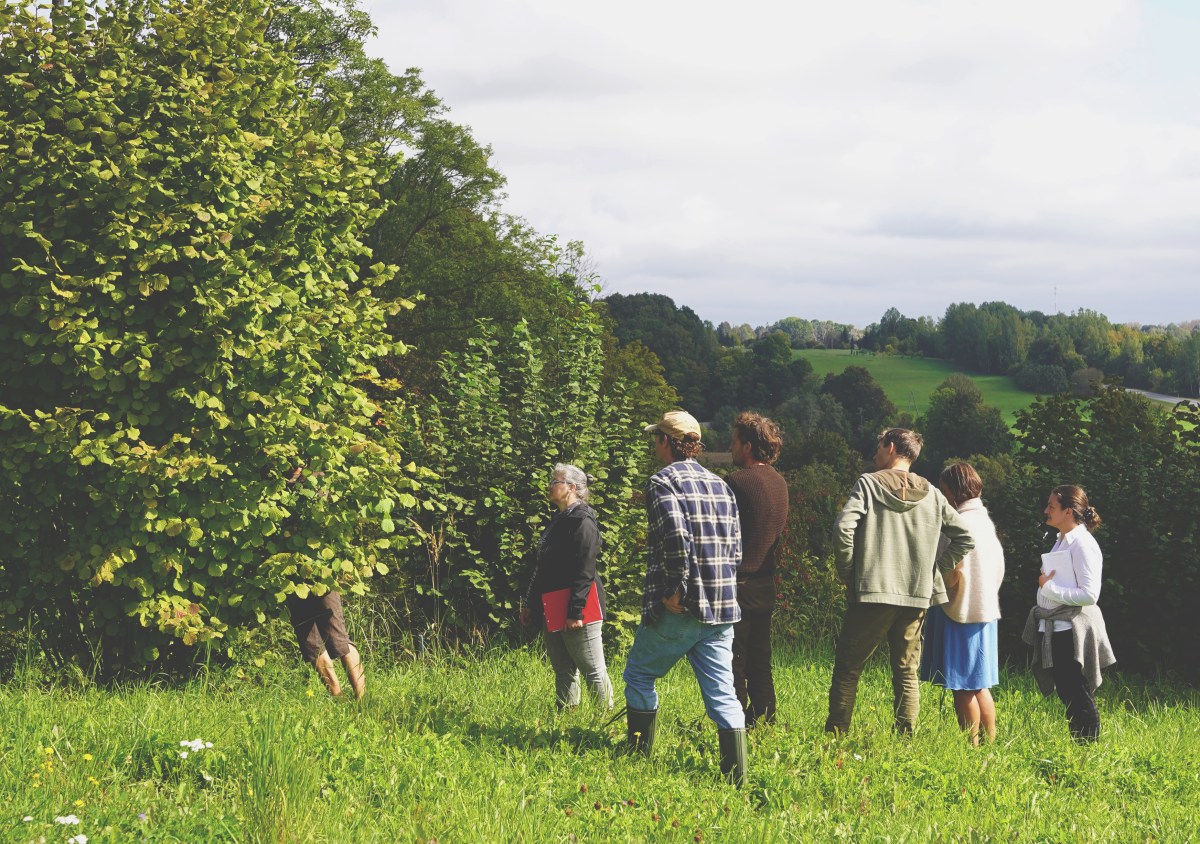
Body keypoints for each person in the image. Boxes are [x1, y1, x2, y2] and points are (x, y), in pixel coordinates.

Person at [622, 410, 747, 785]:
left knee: (640, 674)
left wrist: (673, 589)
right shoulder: (721, 484)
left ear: (665, 442)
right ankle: (736, 778)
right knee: (723, 694)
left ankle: (637, 757)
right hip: (723, 606)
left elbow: (676, 539)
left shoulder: (663, 482)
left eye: (655, 439)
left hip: (682, 604)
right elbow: (736, 548)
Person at [826, 428, 974, 735]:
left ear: (890, 447)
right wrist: (936, 567)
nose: (876, 453)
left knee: (848, 668)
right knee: (907, 671)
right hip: (916, 594)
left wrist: (848, 570)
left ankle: (836, 735)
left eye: (879, 446)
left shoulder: (868, 484)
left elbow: (843, 529)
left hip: (872, 591)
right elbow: (965, 537)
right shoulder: (932, 493)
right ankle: (905, 737)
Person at [1020, 485, 1115, 742]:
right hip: (1057, 628)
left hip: (1071, 629)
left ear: (1068, 511)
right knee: (1068, 690)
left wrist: (1048, 588)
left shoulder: (1083, 544)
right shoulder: (1061, 540)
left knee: (1077, 692)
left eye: (1051, 506)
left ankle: (1086, 751)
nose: (1046, 510)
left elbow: (1089, 594)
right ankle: (1080, 745)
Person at [919, 462, 1004, 744]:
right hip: (985, 611)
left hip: (959, 612)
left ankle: (972, 746)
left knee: (962, 688)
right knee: (980, 684)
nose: (943, 497)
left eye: (945, 491)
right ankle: (990, 744)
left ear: (955, 492)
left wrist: (941, 585)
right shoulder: (986, 522)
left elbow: (950, 571)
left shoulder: (958, 523)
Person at [521, 463, 612, 711]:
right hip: (552, 603)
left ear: (571, 488)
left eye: (555, 481)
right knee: (563, 670)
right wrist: (531, 603)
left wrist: (576, 611)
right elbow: (544, 565)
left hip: (580, 605)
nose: (550, 486)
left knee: (593, 669)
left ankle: (605, 722)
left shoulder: (583, 521)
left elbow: (585, 570)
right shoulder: (560, 520)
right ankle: (565, 720)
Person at [727, 412, 789, 726]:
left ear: (748, 446)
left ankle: (734, 724)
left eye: (735, 442)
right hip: (766, 582)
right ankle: (765, 720)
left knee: (734, 661)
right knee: (760, 661)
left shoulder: (738, 482)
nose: (732, 448)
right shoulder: (779, 482)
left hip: (738, 582)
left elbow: (724, 532)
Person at [284, 464, 365, 700]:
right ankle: (337, 697)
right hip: (292, 571)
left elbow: (320, 523)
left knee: (337, 637)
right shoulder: (278, 486)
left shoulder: (316, 479)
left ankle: (361, 701)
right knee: (309, 642)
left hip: (321, 569)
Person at [287, 590, 366, 700]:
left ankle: (362, 700)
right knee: (312, 646)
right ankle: (338, 699)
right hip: (294, 587)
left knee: (340, 641)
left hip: (323, 581)